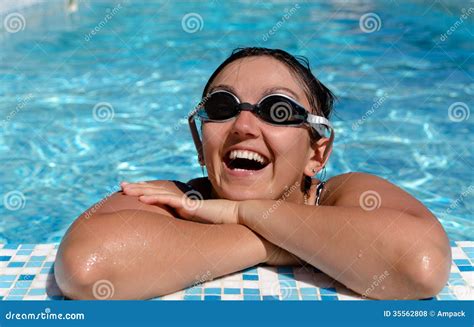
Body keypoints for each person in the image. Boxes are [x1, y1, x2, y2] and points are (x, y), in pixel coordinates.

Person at [55, 47, 451, 300]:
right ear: (199, 144)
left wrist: (242, 214)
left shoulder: (345, 194)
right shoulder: (173, 199)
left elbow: (421, 267)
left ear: (318, 152)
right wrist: (278, 242)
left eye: (277, 109)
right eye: (223, 106)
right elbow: (86, 269)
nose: (243, 125)